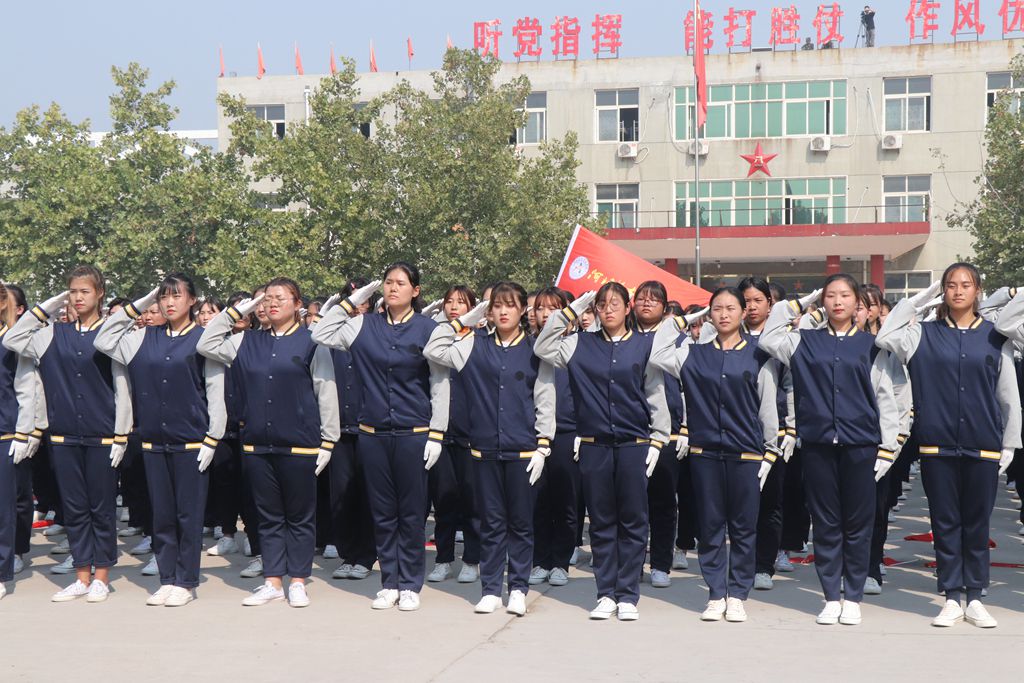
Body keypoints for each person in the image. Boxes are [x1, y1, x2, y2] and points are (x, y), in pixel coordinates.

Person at [879, 265, 1022, 628]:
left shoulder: (995, 336)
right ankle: (952, 596)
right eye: (950, 285)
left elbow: (1008, 395)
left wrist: (1010, 443)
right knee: (944, 522)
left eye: (966, 285)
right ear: (943, 291)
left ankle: (975, 596)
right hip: (936, 445)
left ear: (978, 291)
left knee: (977, 524)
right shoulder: (922, 334)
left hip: (983, 445)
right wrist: (917, 300)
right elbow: (885, 335)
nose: (958, 291)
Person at [760, 275, 899, 626]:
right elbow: (768, 336)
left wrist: (888, 447)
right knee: (825, 523)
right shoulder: (804, 341)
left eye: (845, 296)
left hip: (861, 444)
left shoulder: (872, 345)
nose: (838, 302)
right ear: (822, 301)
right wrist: (799, 303)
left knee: (858, 523)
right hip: (818, 444)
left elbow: (885, 397)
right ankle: (831, 596)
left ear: (857, 303)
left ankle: (853, 596)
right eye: (831, 296)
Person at [311, 263, 450, 612]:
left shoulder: (428, 329)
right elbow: (320, 333)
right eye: (388, 282)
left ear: (415, 291)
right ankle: (390, 581)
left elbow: (439, 383)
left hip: (414, 433)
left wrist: (437, 432)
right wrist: (348, 304)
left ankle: (410, 583)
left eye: (401, 283)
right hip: (372, 433)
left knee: (411, 513)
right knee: (383, 512)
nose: (393, 288)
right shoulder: (363, 325)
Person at [198, 278, 340, 608]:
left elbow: (326, 391)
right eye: (266, 298)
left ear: (297, 303)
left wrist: (329, 440)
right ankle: (273, 581)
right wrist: (237, 311)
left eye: (280, 298)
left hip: (300, 444)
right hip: (257, 445)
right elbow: (207, 342)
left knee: (300, 517)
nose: (272, 303)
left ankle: (298, 580)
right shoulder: (245, 341)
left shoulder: (312, 341)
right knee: (268, 516)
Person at [535, 283, 670, 622]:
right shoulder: (579, 343)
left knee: (634, 521)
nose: (608, 310)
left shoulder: (644, 345)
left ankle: (628, 594)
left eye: (615, 304)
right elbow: (543, 346)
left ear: (628, 308)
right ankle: (606, 592)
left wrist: (659, 438)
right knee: (601, 521)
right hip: (594, 445)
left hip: (634, 444)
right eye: (601, 304)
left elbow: (655, 392)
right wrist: (568, 311)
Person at [94, 274, 226, 606]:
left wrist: (213, 437)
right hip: (153, 442)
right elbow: (104, 339)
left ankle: (186, 581)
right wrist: (139, 302)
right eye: (164, 297)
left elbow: (215, 390)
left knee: (188, 516)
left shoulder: (203, 339)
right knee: (162, 515)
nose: (169, 303)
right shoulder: (142, 337)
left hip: (192, 443)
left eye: (177, 296)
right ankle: (167, 578)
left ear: (192, 300)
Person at [3, 266, 133, 603]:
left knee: (101, 508)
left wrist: (121, 434)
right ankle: (81, 574)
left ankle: (101, 575)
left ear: (100, 294)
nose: (77, 298)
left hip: (102, 436)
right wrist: (46, 306)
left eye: (84, 291)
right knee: (74, 508)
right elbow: (12, 339)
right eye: (72, 291)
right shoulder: (52, 334)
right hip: (63, 436)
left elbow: (122, 387)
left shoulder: (108, 335)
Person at [425, 281, 555, 615]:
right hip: (483, 450)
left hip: (523, 451)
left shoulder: (535, 349)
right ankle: (492, 589)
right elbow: (433, 349)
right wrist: (463, 321)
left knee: (521, 524)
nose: (503, 311)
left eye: (510, 305)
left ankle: (519, 588)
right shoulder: (473, 344)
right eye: (497, 305)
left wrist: (543, 444)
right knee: (491, 523)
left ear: (522, 310)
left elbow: (545, 397)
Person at [651, 287, 779, 622]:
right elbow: (657, 351)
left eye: (731, 308)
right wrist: (681, 320)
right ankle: (716, 593)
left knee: (743, 528)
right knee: (710, 526)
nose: (724, 314)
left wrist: (770, 450)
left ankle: (737, 594)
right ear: (709, 315)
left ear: (742, 312)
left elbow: (767, 406)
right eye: (717, 308)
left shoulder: (758, 354)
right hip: (705, 453)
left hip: (747, 454)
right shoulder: (692, 354)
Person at [316, 279, 378, 582]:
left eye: (362, 300)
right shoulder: (333, 338)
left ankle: (366, 555)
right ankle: (348, 554)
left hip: (370, 428)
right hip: (339, 430)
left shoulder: (375, 334)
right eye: (351, 300)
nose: (356, 306)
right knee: (341, 495)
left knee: (367, 495)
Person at [631, 280, 686, 589]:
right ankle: (633, 561)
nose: (647, 303)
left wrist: (686, 426)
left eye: (654, 299)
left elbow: (689, 384)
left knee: (663, 502)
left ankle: (661, 564)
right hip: (631, 429)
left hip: (667, 433)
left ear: (665, 307)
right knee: (632, 503)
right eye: (641, 298)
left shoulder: (677, 339)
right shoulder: (624, 335)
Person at [426, 285, 481, 585]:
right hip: (441, 431)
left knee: (473, 501)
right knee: (444, 499)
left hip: (472, 432)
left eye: (462, 302)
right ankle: (443, 558)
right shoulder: (437, 336)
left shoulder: (480, 340)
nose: (454, 307)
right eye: (449, 302)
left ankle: (472, 559)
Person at [529, 287, 580, 588]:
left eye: (553, 308)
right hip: (533, 435)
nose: (546, 314)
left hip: (568, 432)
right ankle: (540, 560)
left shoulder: (579, 346)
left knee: (565, 502)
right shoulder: (528, 345)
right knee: (537, 502)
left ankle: (561, 561)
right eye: (540, 308)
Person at [0, 282, 43, 598]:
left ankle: (3, 570)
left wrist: (26, 432)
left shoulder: (13, 343)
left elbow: (27, 390)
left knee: (6, 506)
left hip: (6, 433)